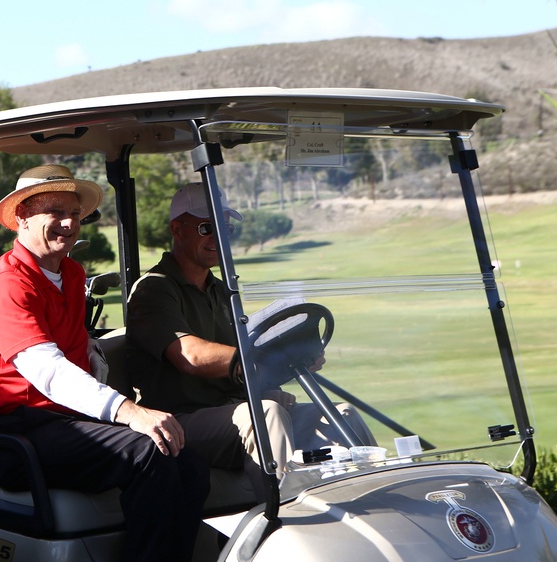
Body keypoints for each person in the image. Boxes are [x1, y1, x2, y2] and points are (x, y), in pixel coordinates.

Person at [0, 165, 209, 562]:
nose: (68, 223)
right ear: (22, 216)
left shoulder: (71, 274)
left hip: (63, 424)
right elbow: (47, 371)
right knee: (148, 450)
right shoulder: (7, 285)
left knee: (186, 458)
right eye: (54, 211)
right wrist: (130, 411)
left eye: (75, 214)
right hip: (16, 434)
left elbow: (78, 353)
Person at [125, 183, 373, 496]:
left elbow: (247, 349)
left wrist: (291, 361)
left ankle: (369, 502)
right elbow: (190, 356)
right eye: (206, 227)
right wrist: (259, 364)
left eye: (224, 227)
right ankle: (285, 519)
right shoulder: (155, 289)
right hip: (177, 422)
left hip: (229, 410)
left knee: (342, 415)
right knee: (265, 414)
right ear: (177, 230)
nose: (218, 237)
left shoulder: (220, 290)